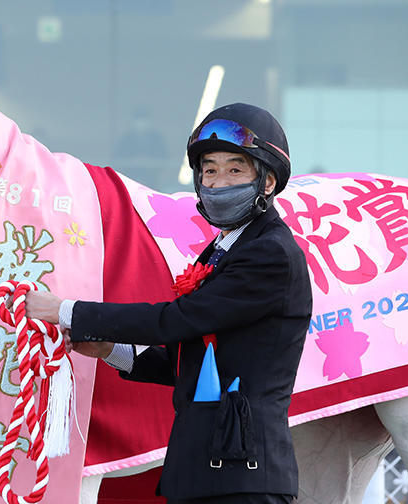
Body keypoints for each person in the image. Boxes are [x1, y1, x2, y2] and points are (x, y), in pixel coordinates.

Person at [24, 103, 312, 504]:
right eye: (209, 170)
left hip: (243, 476)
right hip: (201, 474)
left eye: (235, 169)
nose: (218, 182)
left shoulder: (269, 254)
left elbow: (177, 320)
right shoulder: (221, 250)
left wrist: (66, 310)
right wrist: (110, 350)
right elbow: (189, 363)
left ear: (267, 182)